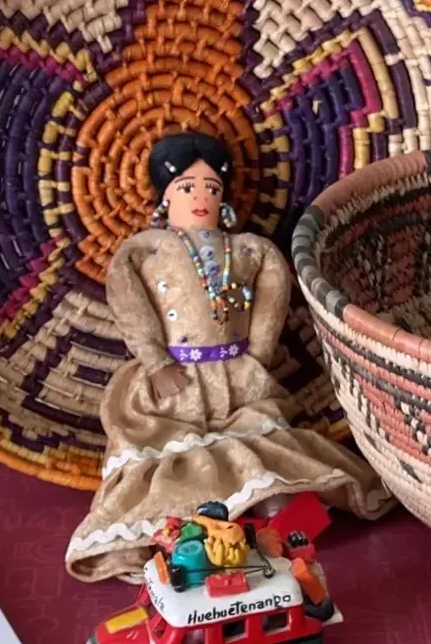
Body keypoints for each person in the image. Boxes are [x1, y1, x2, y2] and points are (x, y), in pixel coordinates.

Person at [65, 131, 392, 582]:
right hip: (175, 380)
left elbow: (271, 303)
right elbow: (131, 307)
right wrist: (156, 362)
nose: (200, 198)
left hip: (239, 378)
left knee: (262, 448)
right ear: (165, 196)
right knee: (176, 462)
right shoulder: (144, 251)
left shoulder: (251, 250)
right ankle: (184, 537)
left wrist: (257, 357)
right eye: (187, 187)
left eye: (211, 188)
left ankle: (274, 526)